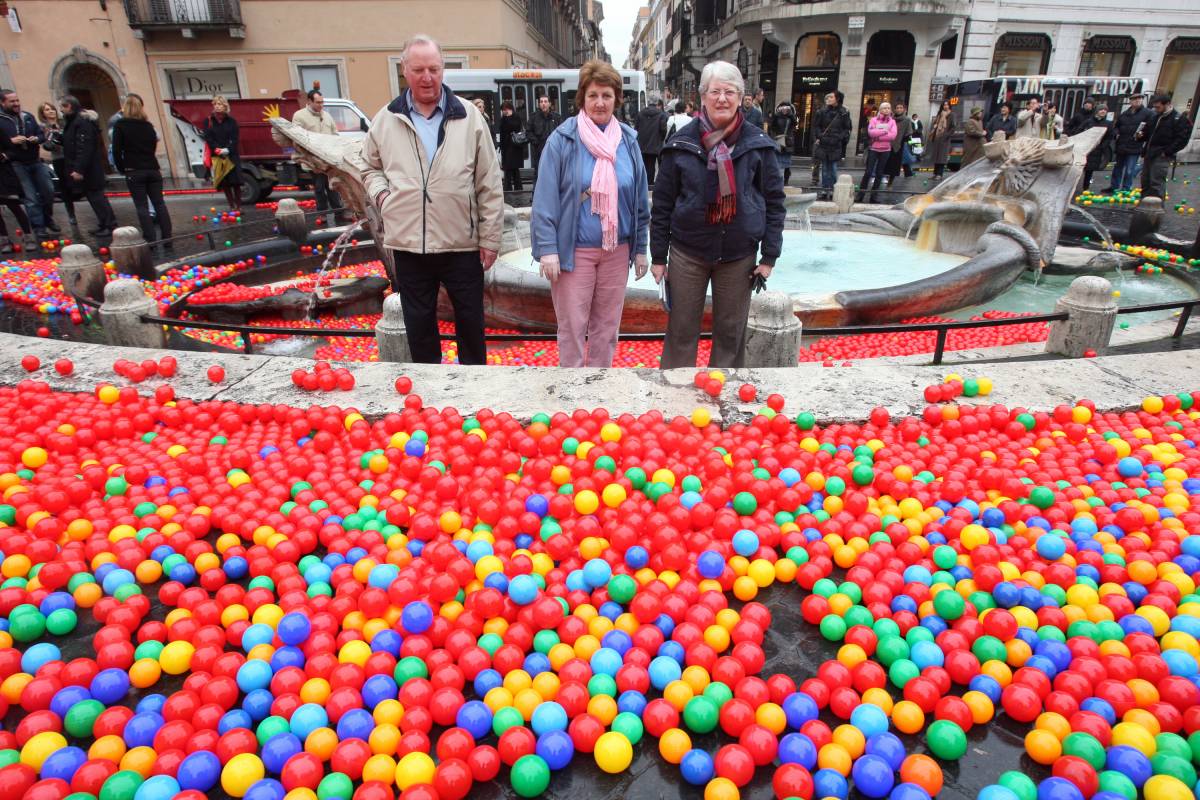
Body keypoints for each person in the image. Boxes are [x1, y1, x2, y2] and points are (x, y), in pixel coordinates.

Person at [360, 34, 504, 365]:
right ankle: (432, 394)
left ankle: (474, 390)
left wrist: (490, 238)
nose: (428, 77)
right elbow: (367, 165)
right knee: (419, 325)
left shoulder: (469, 117)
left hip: (461, 244)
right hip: (409, 242)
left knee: (471, 324)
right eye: (419, 69)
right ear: (404, 71)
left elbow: (489, 182)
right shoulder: (386, 118)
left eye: (435, 69)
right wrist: (383, 196)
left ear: (443, 70)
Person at [651, 61, 784, 370]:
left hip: (738, 255)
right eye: (715, 91)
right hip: (688, 253)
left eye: (730, 91)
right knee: (681, 330)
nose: (722, 98)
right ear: (702, 97)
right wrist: (659, 257)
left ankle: (725, 397)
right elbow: (662, 206)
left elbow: (775, 203)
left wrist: (769, 257)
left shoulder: (758, 145)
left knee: (730, 333)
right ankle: (675, 396)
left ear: (740, 97)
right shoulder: (680, 144)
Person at [531, 60, 650, 368]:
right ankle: (572, 389)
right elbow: (544, 199)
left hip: (616, 249)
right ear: (582, 98)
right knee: (572, 327)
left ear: (616, 100)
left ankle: (599, 388)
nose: (600, 102)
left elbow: (639, 199)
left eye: (607, 96)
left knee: (607, 328)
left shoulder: (628, 141)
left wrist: (640, 249)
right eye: (594, 95)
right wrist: (547, 249)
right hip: (575, 251)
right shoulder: (563, 139)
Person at [111, 93, 172, 245]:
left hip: (134, 169)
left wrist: (121, 167)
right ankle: (167, 237)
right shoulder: (148, 126)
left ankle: (150, 238)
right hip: (152, 168)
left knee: (142, 206)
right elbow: (152, 146)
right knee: (159, 203)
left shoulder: (121, 125)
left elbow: (116, 150)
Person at [0, 90, 59, 238]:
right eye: (12, 102)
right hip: (17, 163)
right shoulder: (1, 120)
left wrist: (36, 139)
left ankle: (47, 218)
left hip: (35, 160)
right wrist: (11, 141)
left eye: (17, 100)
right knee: (30, 197)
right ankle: (38, 227)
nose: (16, 104)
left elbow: (41, 134)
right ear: (3, 103)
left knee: (49, 191)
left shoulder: (27, 116)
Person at [59, 96, 117, 236]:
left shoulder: (81, 123)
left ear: (69, 107)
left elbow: (84, 148)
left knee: (97, 197)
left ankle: (109, 224)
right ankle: (104, 223)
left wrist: (78, 169)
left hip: (89, 169)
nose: (60, 110)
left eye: (62, 107)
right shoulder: (74, 122)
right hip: (85, 168)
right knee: (93, 196)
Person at [292, 90, 345, 224]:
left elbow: (334, 134)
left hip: (328, 160)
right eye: (318, 102)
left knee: (333, 186)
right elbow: (297, 138)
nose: (321, 105)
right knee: (320, 187)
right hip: (313, 161)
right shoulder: (299, 116)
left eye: (322, 102)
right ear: (309, 102)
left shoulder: (327, 116)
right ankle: (322, 214)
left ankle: (339, 213)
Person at [1139, 93, 1191, 200]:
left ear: (1167, 104)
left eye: (1158, 107)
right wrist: (1140, 135)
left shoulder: (1178, 119)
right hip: (1149, 152)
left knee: (1156, 182)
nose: (1156, 109)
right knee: (1145, 181)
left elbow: (1182, 139)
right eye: (1154, 107)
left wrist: (1167, 151)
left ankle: (1156, 209)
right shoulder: (1154, 116)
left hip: (1162, 155)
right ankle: (1143, 205)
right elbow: (1147, 133)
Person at [36, 101, 75, 227]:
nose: (51, 111)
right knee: (64, 187)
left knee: (75, 184)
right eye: (47, 110)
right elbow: (46, 144)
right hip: (58, 158)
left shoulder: (64, 122)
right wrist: (51, 133)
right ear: (43, 114)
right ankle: (71, 214)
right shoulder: (43, 127)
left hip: (71, 156)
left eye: (52, 109)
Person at [203, 95, 242, 213]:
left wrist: (228, 149)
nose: (217, 107)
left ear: (225, 106)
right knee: (225, 182)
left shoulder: (232, 121)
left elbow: (235, 138)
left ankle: (238, 206)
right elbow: (208, 138)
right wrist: (217, 149)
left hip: (231, 155)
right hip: (217, 155)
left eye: (219, 104)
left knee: (236, 181)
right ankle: (231, 205)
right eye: (215, 104)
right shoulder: (209, 121)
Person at [1109, 93, 1152, 193]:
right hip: (1122, 145)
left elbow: (1151, 128)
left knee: (1129, 169)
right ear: (1130, 101)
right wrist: (1116, 134)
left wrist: (1143, 134)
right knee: (1117, 167)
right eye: (1135, 99)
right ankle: (1114, 187)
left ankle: (1126, 188)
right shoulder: (1125, 114)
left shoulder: (1147, 113)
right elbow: (1116, 127)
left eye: (1140, 99)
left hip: (1135, 146)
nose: (1137, 100)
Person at [0, 124, 33, 252]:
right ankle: (4, 240)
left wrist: (3, 156)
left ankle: (29, 237)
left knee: (14, 206)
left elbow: (11, 150)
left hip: (3, 174)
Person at [856, 101, 896, 202]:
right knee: (868, 172)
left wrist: (879, 135)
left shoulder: (892, 121)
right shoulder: (873, 120)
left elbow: (892, 136)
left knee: (879, 173)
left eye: (888, 108)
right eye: (885, 108)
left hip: (886, 150)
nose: (887, 110)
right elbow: (871, 133)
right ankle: (860, 194)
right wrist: (884, 131)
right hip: (874, 149)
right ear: (880, 109)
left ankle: (874, 196)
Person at [811, 91, 850, 194]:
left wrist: (839, 137)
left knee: (833, 168)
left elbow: (847, 128)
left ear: (837, 99)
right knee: (824, 168)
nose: (828, 99)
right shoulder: (822, 111)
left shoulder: (844, 113)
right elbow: (816, 126)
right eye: (828, 97)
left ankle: (833, 189)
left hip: (835, 144)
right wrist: (820, 136)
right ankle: (825, 189)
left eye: (831, 97)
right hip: (824, 143)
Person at [1080, 104, 1113, 192]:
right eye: (1101, 109)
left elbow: (1109, 136)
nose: (1103, 111)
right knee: (1080, 168)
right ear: (1097, 111)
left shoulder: (1108, 124)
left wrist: (1103, 146)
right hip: (1086, 148)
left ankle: (1085, 188)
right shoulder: (1089, 122)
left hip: (1097, 149)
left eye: (1105, 110)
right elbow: (1080, 132)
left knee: (1090, 170)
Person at [528, 95, 561, 179]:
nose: (543, 104)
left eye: (545, 101)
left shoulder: (556, 117)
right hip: (539, 152)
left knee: (554, 174)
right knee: (539, 175)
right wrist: (535, 142)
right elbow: (528, 131)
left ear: (549, 104)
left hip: (553, 152)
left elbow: (561, 132)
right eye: (541, 102)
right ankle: (536, 192)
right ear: (539, 104)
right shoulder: (534, 117)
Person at [635, 99, 667, 184]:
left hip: (642, 143)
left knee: (643, 164)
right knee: (651, 164)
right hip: (655, 143)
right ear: (656, 104)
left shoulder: (641, 113)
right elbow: (663, 129)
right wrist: (661, 138)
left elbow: (636, 128)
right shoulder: (661, 114)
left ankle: (643, 182)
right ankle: (650, 183)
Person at [498, 100, 527, 192]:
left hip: (514, 146)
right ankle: (513, 188)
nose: (504, 111)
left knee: (511, 169)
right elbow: (503, 132)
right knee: (511, 169)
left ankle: (510, 188)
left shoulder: (515, 117)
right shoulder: (503, 119)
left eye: (505, 109)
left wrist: (508, 118)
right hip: (507, 147)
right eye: (503, 109)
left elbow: (515, 127)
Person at [768, 101, 796, 185]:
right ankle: (776, 180)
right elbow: (771, 127)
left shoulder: (791, 117)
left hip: (788, 142)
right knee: (777, 162)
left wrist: (791, 115)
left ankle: (786, 181)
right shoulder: (777, 117)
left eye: (786, 108)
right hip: (778, 141)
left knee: (787, 164)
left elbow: (795, 124)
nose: (784, 110)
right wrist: (775, 115)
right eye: (782, 108)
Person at [886, 102, 914, 183]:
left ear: (904, 109)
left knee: (895, 163)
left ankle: (891, 181)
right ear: (895, 109)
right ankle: (886, 177)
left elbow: (908, 133)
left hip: (899, 144)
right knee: (888, 162)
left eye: (901, 108)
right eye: (897, 107)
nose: (899, 109)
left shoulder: (907, 120)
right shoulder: (891, 118)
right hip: (888, 143)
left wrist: (902, 141)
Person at [929, 101, 954, 179]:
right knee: (936, 157)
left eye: (947, 105)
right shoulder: (939, 114)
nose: (945, 106)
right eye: (944, 105)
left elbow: (953, 127)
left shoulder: (951, 115)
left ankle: (939, 174)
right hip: (937, 137)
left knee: (941, 157)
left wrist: (946, 135)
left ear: (949, 106)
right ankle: (935, 174)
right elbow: (934, 124)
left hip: (944, 139)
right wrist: (935, 124)